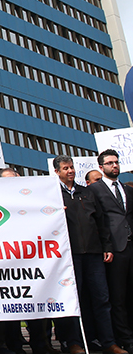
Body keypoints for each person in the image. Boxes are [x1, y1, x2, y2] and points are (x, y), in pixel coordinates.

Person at [53, 155, 124, 354]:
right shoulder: (54, 195)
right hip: (70, 256)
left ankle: (109, 342)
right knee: (74, 300)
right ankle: (74, 342)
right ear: (57, 171)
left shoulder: (88, 192)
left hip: (94, 254)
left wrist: (106, 247)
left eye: (72, 167)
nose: (70, 171)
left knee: (102, 298)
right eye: (65, 168)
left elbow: (101, 222)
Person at [89, 149, 133, 351]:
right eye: (109, 163)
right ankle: (125, 338)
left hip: (131, 245)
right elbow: (99, 221)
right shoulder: (95, 190)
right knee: (118, 297)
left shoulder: (128, 189)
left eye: (116, 162)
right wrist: (106, 246)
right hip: (115, 248)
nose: (114, 166)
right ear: (101, 167)